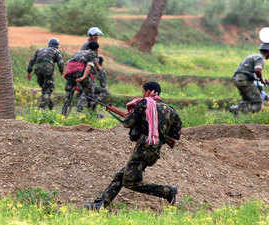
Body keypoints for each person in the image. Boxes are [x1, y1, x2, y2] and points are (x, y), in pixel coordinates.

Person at [85, 81, 182, 210]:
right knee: (121, 175)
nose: (142, 94)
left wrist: (132, 120)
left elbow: (128, 122)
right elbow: (175, 134)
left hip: (143, 147)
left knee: (130, 182)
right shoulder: (171, 110)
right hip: (154, 150)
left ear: (148, 91)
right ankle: (101, 204)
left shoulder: (145, 103)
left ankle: (167, 191)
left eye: (143, 91)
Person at [230, 43, 269, 115]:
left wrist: (263, 80)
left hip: (237, 79)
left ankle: (237, 110)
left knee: (247, 100)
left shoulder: (253, 56)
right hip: (245, 81)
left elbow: (249, 72)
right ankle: (239, 111)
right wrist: (261, 80)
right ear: (268, 52)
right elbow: (257, 70)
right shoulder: (260, 58)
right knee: (258, 102)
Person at [61, 42, 100, 115]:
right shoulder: (92, 54)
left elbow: (68, 62)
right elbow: (89, 65)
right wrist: (83, 77)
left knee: (69, 94)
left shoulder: (79, 52)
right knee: (90, 93)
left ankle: (63, 114)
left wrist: (68, 75)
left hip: (70, 71)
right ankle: (93, 115)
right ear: (97, 49)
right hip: (79, 72)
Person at [27, 38, 64, 110]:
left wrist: (29, 72)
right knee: (49, 89)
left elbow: (31, 61)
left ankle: (51, 107)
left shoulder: (39, 50)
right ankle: (41, 109)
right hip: (47, 70)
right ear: (57, 46)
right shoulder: (56, 51)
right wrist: (61, 71)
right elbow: (61, 63)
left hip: (37, 70)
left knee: (45, 90)